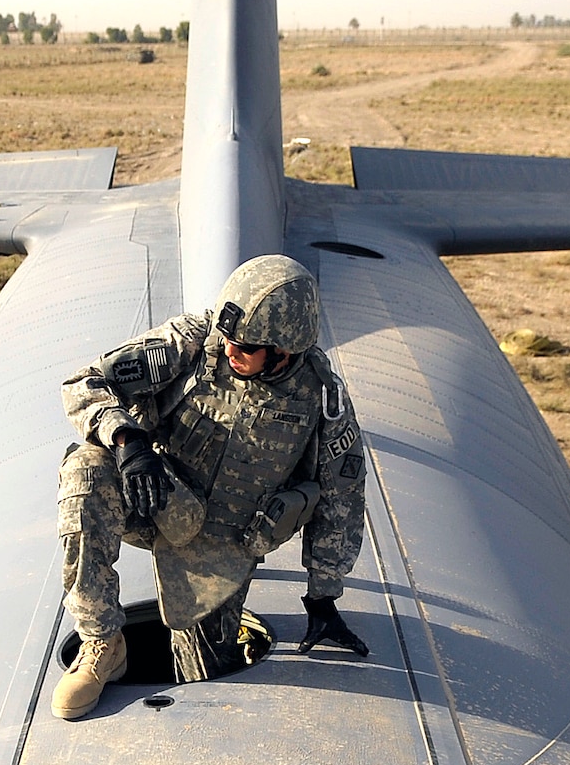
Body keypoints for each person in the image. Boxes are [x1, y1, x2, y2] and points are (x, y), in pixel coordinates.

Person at [53, 254, 371, 720]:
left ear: (283, 351)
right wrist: (128, 441)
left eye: (244, 347)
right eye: (227, 339)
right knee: (85, 471)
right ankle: (101, 640)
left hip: (220, 550)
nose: (228, 350)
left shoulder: (321, 398)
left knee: (203, 677)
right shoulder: (195, 342)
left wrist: (323, 594)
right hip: (155, 496)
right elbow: (86, 383)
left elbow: (342, 497)